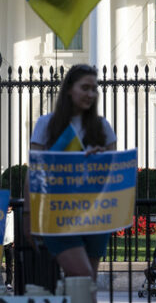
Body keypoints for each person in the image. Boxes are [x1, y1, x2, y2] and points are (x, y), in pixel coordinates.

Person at [23, 64, 117, 289]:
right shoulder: (47, 124)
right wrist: (28, 215)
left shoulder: (103, 128)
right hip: (58, 214)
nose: (90, 94)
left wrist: (100, 161)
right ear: (69, 90)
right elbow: (34, 172)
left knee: (87, 283)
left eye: (94, 89)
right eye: (85, 87)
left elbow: (114, 177)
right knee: (82, 276)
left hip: (94, 216)